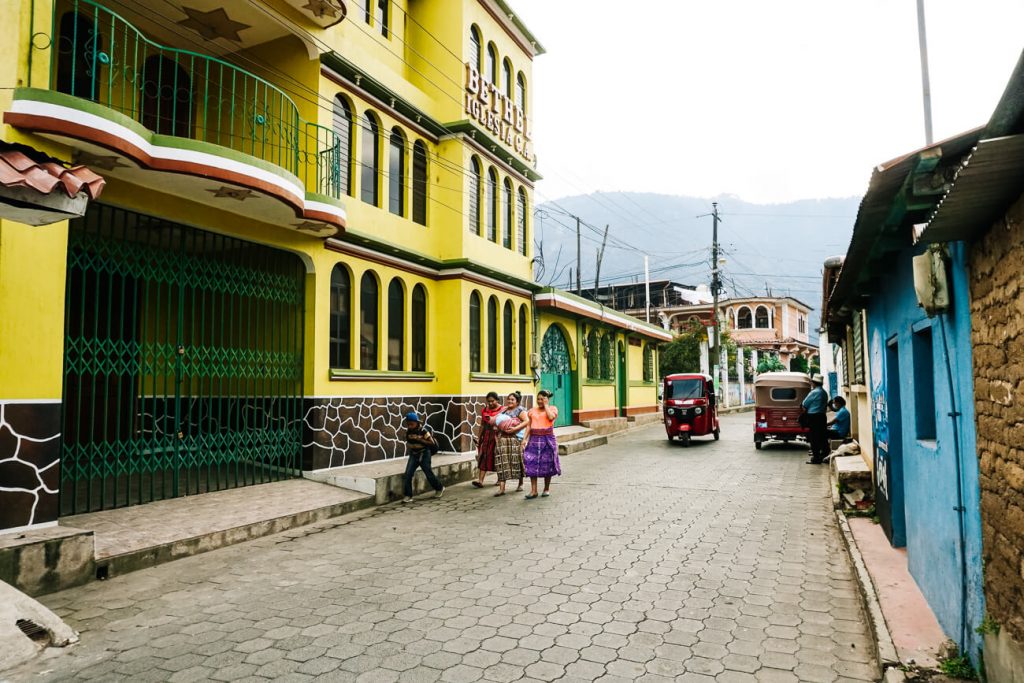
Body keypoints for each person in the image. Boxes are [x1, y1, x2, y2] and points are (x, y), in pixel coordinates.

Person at [523, 390, 561, 499]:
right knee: (531, 462)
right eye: (538, 399)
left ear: (547, 399)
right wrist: (524, 439)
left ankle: (546, 489)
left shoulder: (553, 409)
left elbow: (550, 417)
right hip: (533, 439)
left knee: (547, 464)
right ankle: (533, 490)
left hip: (547, 439)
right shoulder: (531, 411)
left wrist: (546, 405)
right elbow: (529, 426)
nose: (539, 401)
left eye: (542, 399)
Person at [402, 411, 444, 503]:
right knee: (408, 474)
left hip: (424, 454)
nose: (410, 426)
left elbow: (431, 443)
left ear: (416, 423)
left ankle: (439, 488)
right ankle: (408, 495)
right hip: (414, 454)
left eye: (411, 424)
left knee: (428, 472)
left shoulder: (424, 431)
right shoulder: (408, 431)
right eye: (408, 424)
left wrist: (419, 439)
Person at [493, 392, 526, 496]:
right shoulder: (504, 410)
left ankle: (520, 483)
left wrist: (514, 429)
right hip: (503, 438)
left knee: (517, 460)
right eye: (509, 399)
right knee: (502, 461)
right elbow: (496, 421)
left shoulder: (520, 410)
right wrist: (498, 426)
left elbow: (527, 422)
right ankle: (502, 488)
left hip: (515, 438)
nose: (510, 401)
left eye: (512, 400)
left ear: (517, 401)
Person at [472, 392, 502, 488]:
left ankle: (500, 479)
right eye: (488, 401)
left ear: (497, 400)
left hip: (497, 436)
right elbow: (482, 425)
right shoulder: (485, 409)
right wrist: (479, 437)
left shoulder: (503, 410)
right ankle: (480, 481)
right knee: (484, 456)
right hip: (486, 436)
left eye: (492, 401)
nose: (490, 403)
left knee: (497, 456)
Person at [801, 375, 829, 464]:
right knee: (822, 436)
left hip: (814, 417)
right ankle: (825, 455)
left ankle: (816, 458)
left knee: (814, 437)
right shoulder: (824, 393)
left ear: (814, 383)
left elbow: (804, 404)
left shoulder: (814, 392)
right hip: (822, 416)